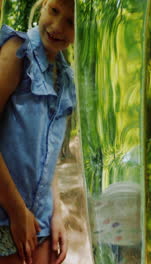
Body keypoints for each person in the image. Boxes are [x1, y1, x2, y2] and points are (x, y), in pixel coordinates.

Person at [0, 0, 75, 263]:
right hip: (6, 216)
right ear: (43, 6)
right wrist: (17, 212)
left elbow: (48, 156)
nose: (57, 27)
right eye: (54, 11)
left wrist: (57, 212)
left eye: (71, 22)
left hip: (40, 221)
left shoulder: (65, 77)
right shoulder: (17, 51)